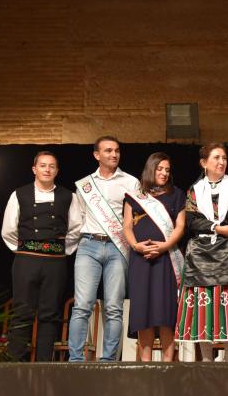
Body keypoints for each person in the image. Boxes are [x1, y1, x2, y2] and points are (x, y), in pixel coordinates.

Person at [175, 143, 228, 362]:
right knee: (204, 307)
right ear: (204, 163)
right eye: (216, 158)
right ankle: (205, 359)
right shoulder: (195, 190)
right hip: (201, 256)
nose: (221, 162)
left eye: (224, 158)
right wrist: (216, 227)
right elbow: (193, 221)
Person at [1, 151, 82, 361]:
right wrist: (25, 250)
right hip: (26, 261)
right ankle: (13, 366)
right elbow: (8, 230)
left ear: (57, 171)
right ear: (34, 169)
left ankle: (44, 367)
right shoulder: (19, 194)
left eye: (52, 166)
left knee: (50, 315)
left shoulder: (69, 197)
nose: (47, 169)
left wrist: (60, 250)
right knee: (22, 312)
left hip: (55, 263)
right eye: (43, 165)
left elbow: (76, 229)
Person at [68, 136, 139, 362]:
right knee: (82, 305)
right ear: (97, 155)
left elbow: (138, 217)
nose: (114, 155)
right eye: (108, 151)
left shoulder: (131, 182)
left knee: (114, 307)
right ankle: (75, 360)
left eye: (117, 150)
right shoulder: (85, 184)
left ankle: (108, 361)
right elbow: (77, 218)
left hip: (118, 247)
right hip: (89, 245)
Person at [122, 152, 185, 362]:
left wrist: (165, 245)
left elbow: (180, 226)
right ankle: (146, 366)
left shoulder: (177, 194)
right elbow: (127, 226)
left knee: (166, 312)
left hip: (166, 259)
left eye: (167, 170)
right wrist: (136, 246)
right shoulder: (135, 196)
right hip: (140, 260)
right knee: (143, 311)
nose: (164, 173)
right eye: (160, 169)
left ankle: (167, 366)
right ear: (151, 169)